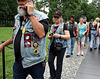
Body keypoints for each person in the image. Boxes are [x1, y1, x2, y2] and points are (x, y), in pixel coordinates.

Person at [0, 0, 49, 79]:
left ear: (31, 2)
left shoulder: (41, 16)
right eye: (19, 1)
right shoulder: (17, 17)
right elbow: (14, 37)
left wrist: (31, 14)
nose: (20, 3)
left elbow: (41, 34)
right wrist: (3, 45)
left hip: (36, 62)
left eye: (23, 1)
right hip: (19, 62)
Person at [48, 11, 70, 79]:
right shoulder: (52, 26)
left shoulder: (64, 25)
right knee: (50, 61)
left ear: (60, 18)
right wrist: (49, 36)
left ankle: (57, 77)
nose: (56, 18)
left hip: (61, 47)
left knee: (59, 63)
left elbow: (68, 36)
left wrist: (59, 36)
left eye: (57, 17)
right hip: (52, 47)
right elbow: (49, 34)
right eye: (55, 17)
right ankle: (52, 75)